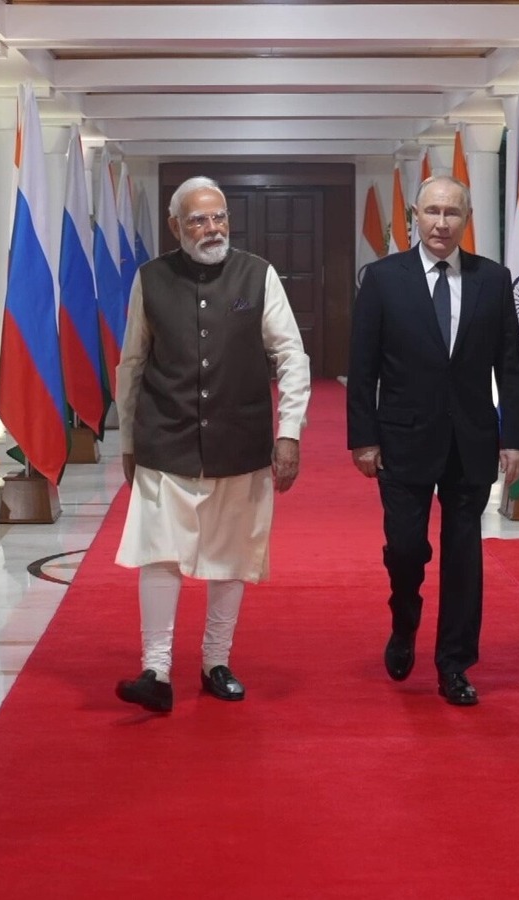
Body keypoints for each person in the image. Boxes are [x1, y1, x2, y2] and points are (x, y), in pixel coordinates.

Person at [112, 176, 312, 714]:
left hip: (240, 440)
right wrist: (127, 440)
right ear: (175, 226)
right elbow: (132, 363)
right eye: (198, 220)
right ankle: (155, 669)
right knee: (159, 553)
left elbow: (291, 356)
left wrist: (289, 431)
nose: (211, 228)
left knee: (230, 554)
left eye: (219, 217)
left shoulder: (258, 274)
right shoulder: (150, 279)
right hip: (165, 438)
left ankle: (216, 662)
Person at [346, 175, 519, 707]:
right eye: (432, 212)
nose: (441, 223)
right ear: (414, 217)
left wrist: (514, 438)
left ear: (466, 220)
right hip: (402, 440)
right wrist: (363, 438)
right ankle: (405, 620)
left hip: (471, 442)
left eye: (452, 213)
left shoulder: (493, 279)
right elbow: (362, 368)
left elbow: (510, 367)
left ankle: (454, 663)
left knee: (464, 557)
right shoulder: (383, 280)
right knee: (406, 549)